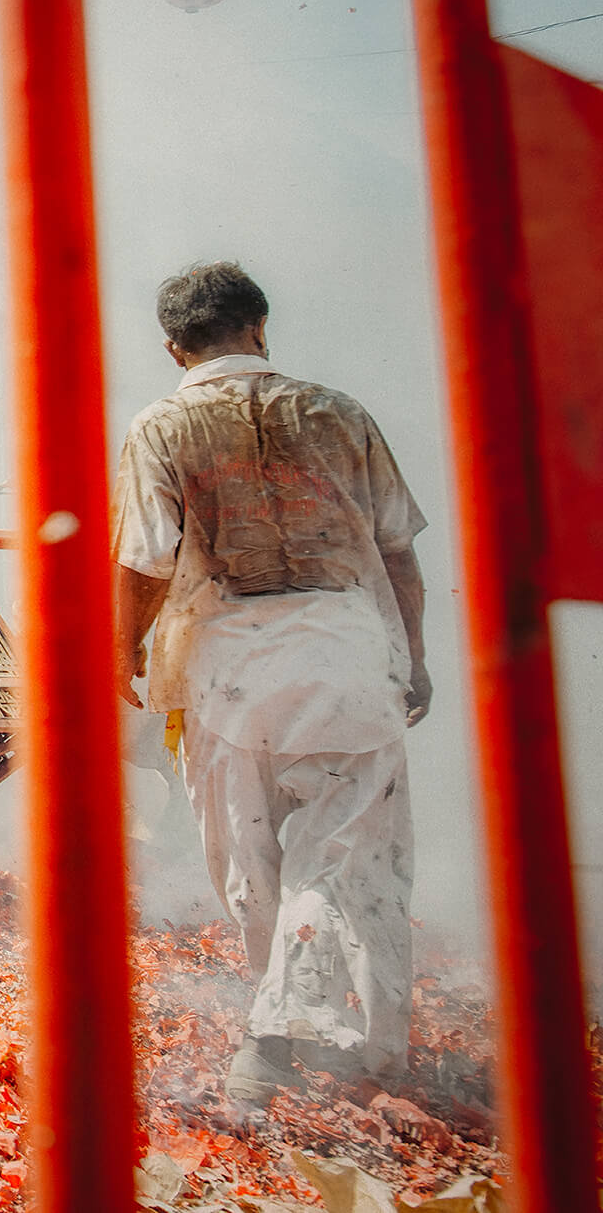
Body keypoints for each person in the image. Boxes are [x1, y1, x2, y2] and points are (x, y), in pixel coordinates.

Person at [112, 262, 429, 1108]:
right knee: (346, 859)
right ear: (259, 327)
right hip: (351, 660)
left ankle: (272, 1038)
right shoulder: (339, 412)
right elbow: (397, 550)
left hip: (229, 671)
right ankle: (377, 1050)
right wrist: (418, 657)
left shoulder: (162, 425)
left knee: (253, 865)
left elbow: (144, 560)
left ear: (174, 348)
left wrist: (122, 652)